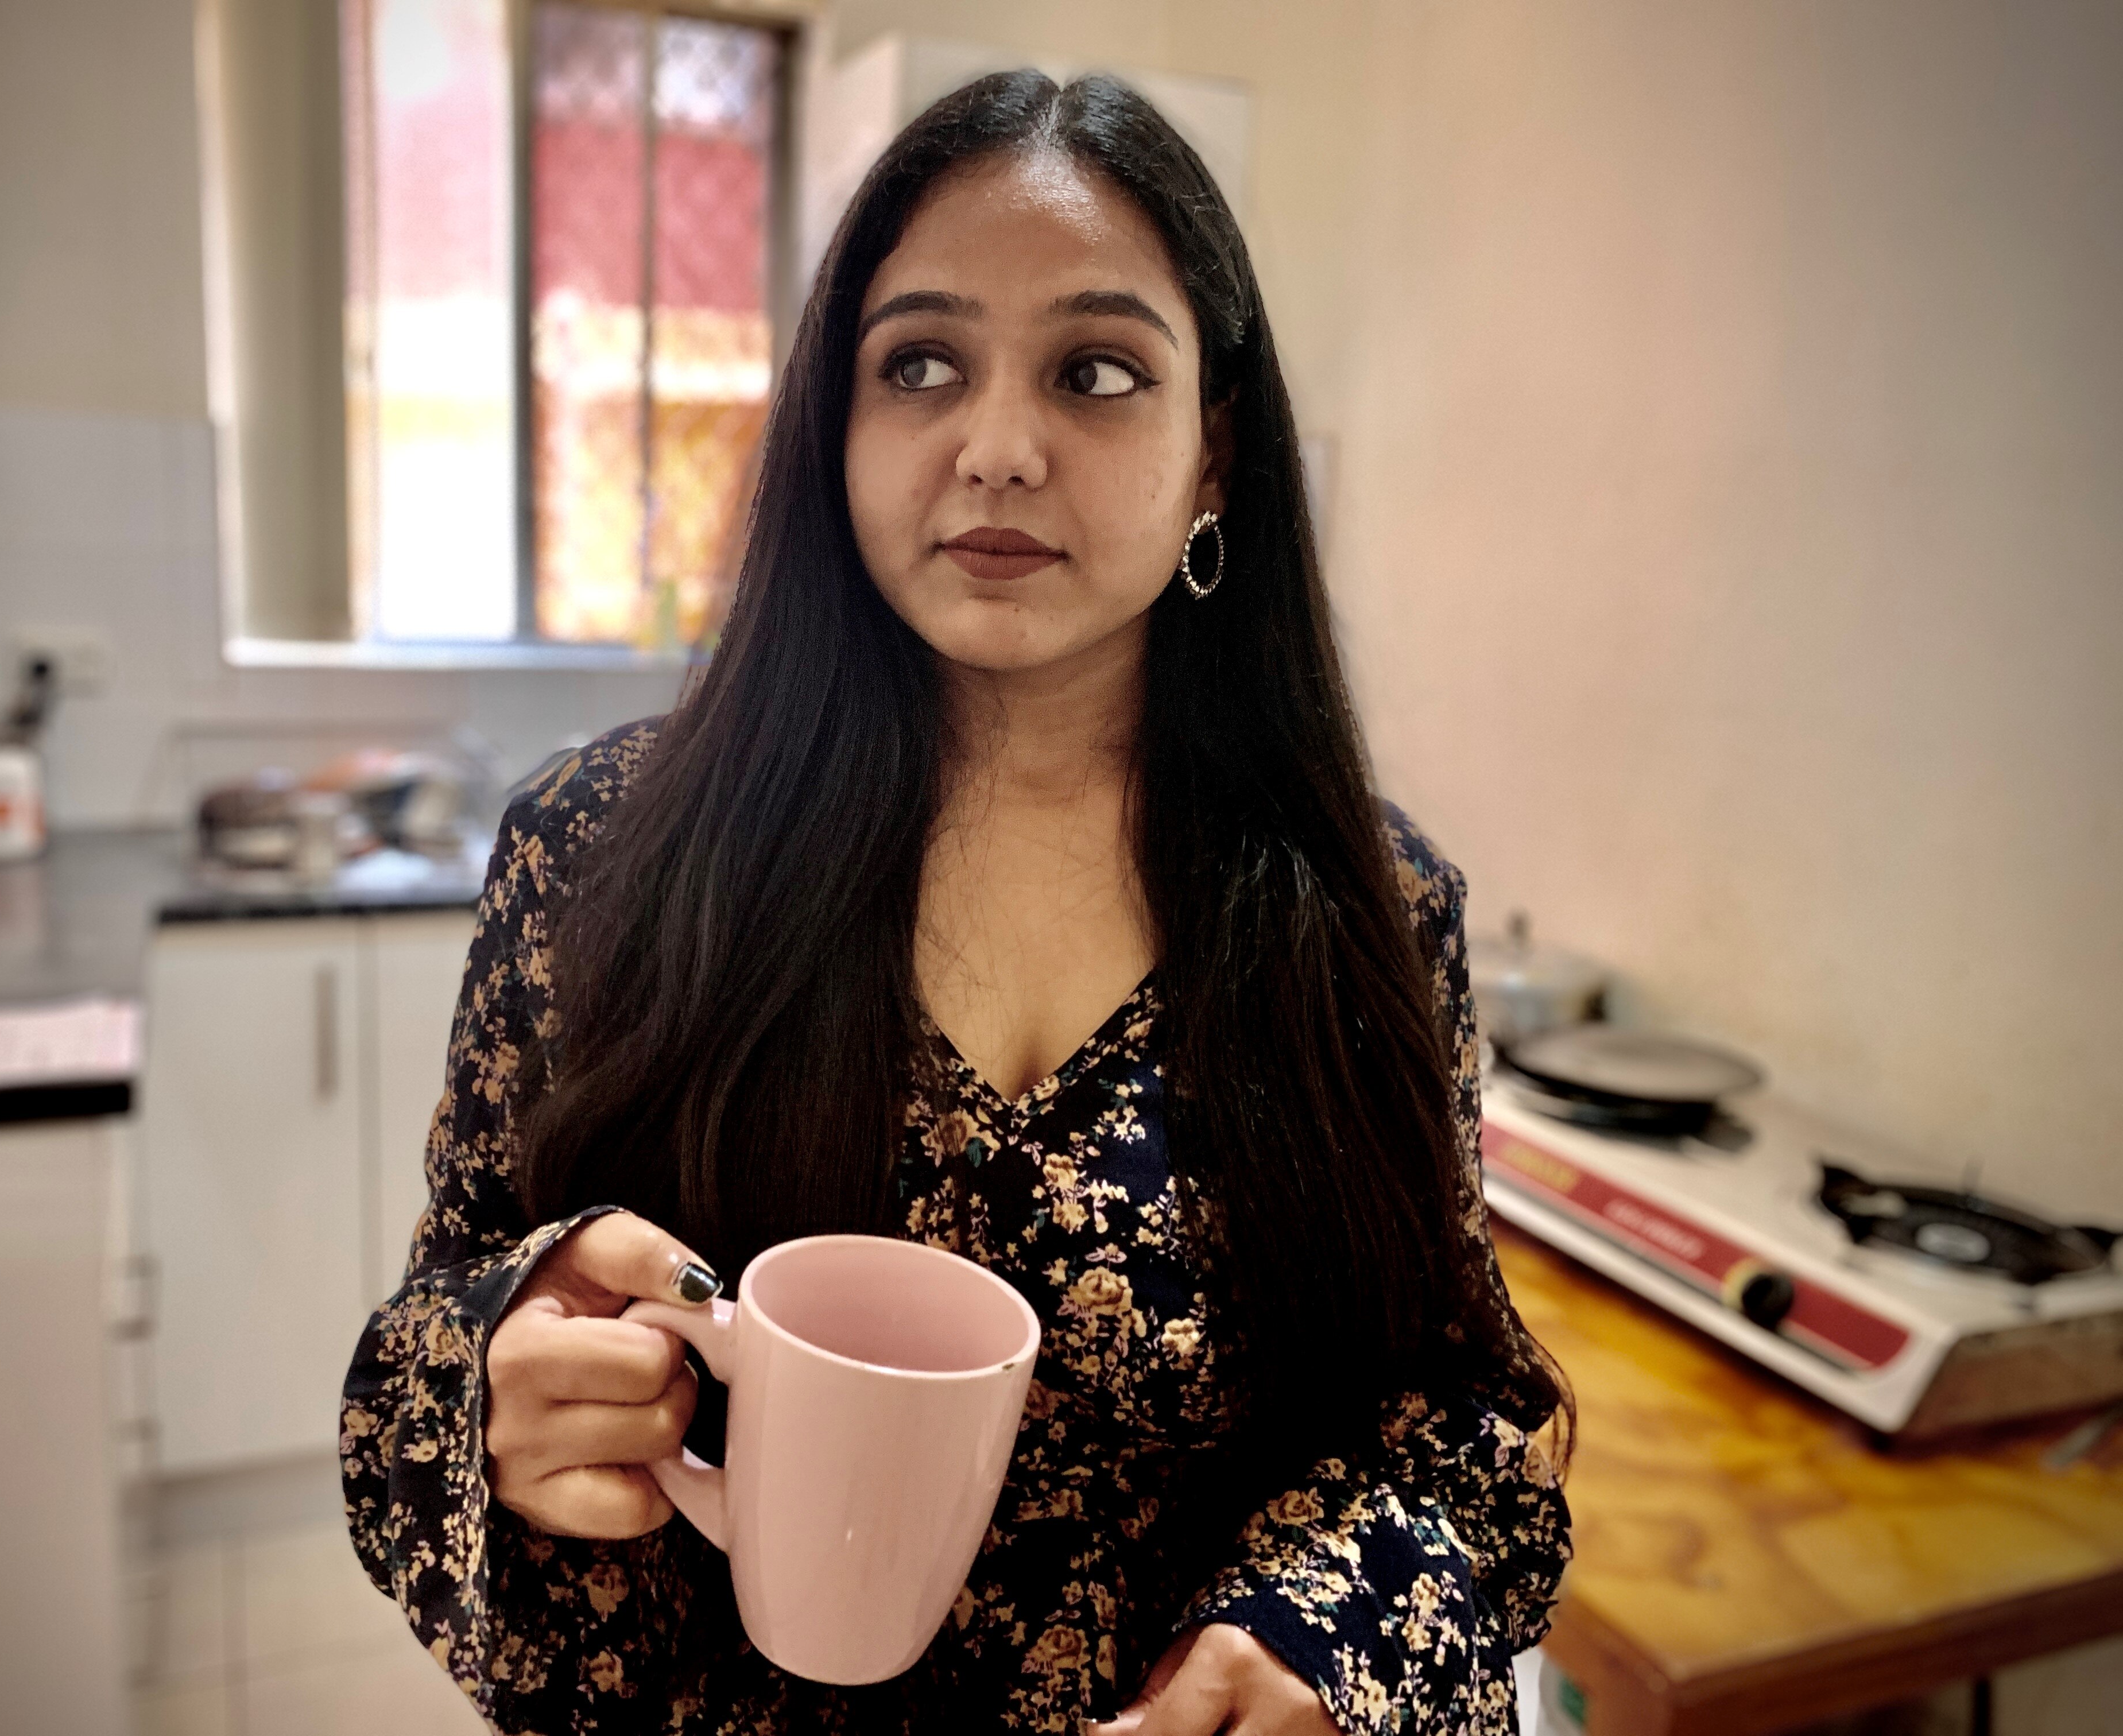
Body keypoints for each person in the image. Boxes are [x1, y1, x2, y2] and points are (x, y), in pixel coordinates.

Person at [342, 69, 1572, 1736]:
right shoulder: (604, 849)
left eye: (1099, 372)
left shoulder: (1365, 910)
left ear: (1216, 448)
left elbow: (1449, 1417)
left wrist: (1323, 1640)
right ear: (833, 428)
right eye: (919, 365)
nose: (998, 448)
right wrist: (502, 1385)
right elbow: (440, 1323)